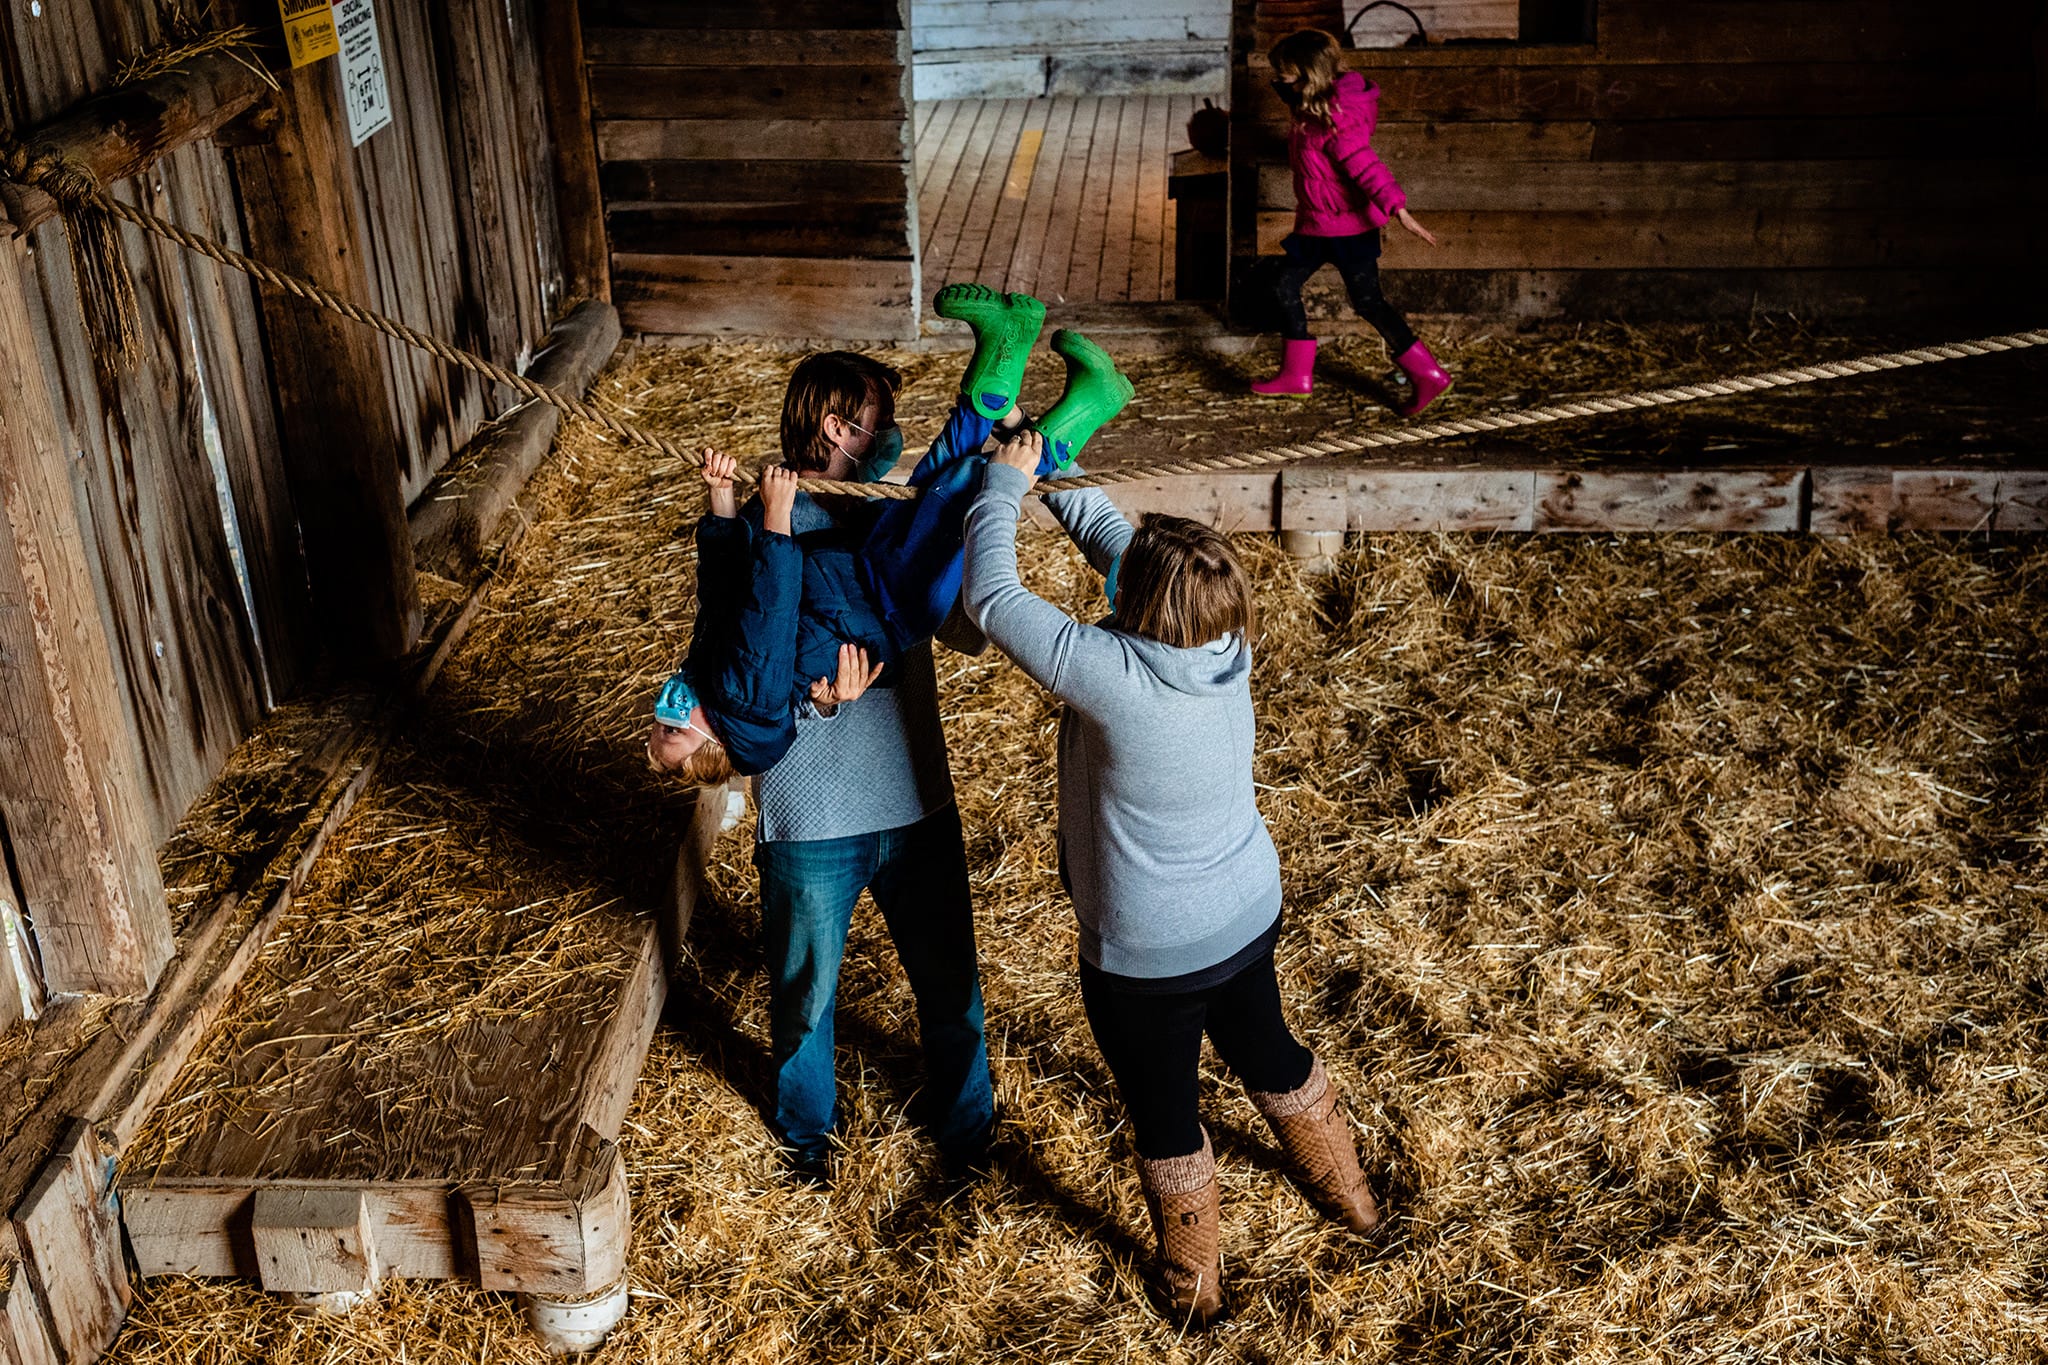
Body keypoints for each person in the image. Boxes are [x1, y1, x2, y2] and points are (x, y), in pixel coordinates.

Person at [647, 285, 1131, 1186]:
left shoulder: (885, 507)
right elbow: (738, 697)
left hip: (914, 797)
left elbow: (962, 628)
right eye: (879, 420)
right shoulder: (769, 526)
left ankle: (970, 1133)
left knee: (952, 992)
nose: (891, 434)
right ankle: (806, 1146)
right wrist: (820, 704)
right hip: (812, 821)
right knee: (806, 1003)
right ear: (835, 430)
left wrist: (966, 539)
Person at [961, 429, 1380, 1324]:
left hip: (1147, 950)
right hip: (1240, 909)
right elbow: (1137, 563)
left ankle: (1194, 1281)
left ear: (1136, 602)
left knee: (1164, 1110)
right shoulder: (1226, 646)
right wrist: (1055, 473)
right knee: (1269, 1048)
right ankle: (1350, 1193)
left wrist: (1001, 487)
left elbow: (992, 597)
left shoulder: (1110, 673)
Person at [1250, 26, 1451, 413]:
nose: (1279, 80)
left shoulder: (1336, 119)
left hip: (1346, 229)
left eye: (1286, 73)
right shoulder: (1312, 105)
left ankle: (1428, 374)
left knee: (1368, 303)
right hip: (1319, 224)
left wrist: (1400, 210)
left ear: (1309, 75)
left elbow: (1366, 167)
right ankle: (1297, 375)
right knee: (1283, 286)